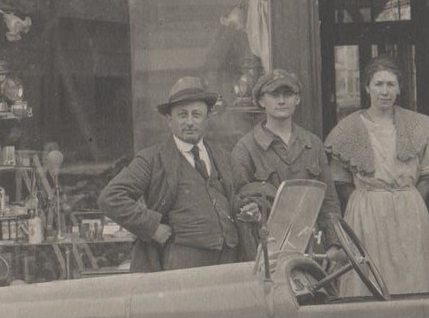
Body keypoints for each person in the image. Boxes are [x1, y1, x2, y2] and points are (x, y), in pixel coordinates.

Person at [324, 57, 429, 295]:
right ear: (367, 87)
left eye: (391, 85)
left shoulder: (416, 125)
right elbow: (340, 180)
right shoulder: (348, 129)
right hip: (366, 214)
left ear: (399, 88)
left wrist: (408, 201)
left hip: (409, 213)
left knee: (412, 276)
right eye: (378, 84)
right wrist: (367, 200)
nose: (385, 91)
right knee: (368, 279)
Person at [99, 76, 240, 271]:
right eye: (182, 115)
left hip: (229, 259)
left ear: (207, 118)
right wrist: (152, 226)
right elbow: (110, 197)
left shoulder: (224, 157)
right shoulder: (152, 159)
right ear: (169, 120)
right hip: (183, 262)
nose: (190, 122)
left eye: (196, 114)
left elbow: (243, 194)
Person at [228, 68, 342, 254]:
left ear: (297, 99)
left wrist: (334, 244)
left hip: (312, 243)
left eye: (287, 94)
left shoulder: (312, 144)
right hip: (268, 246)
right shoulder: (246, 148)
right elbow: (239, 203)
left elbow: (329, 200)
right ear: (261, 101)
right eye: (274, 95)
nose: (281, 101)